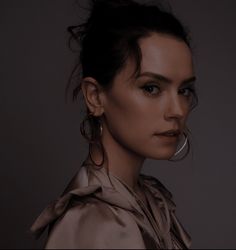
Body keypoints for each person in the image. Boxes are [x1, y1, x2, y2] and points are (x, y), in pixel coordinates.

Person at [30, 0, 198, 248]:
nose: (177, 110)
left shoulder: (149, 201)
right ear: (95, 96)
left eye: (184, 90)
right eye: (151, 88)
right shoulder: (94, 223)